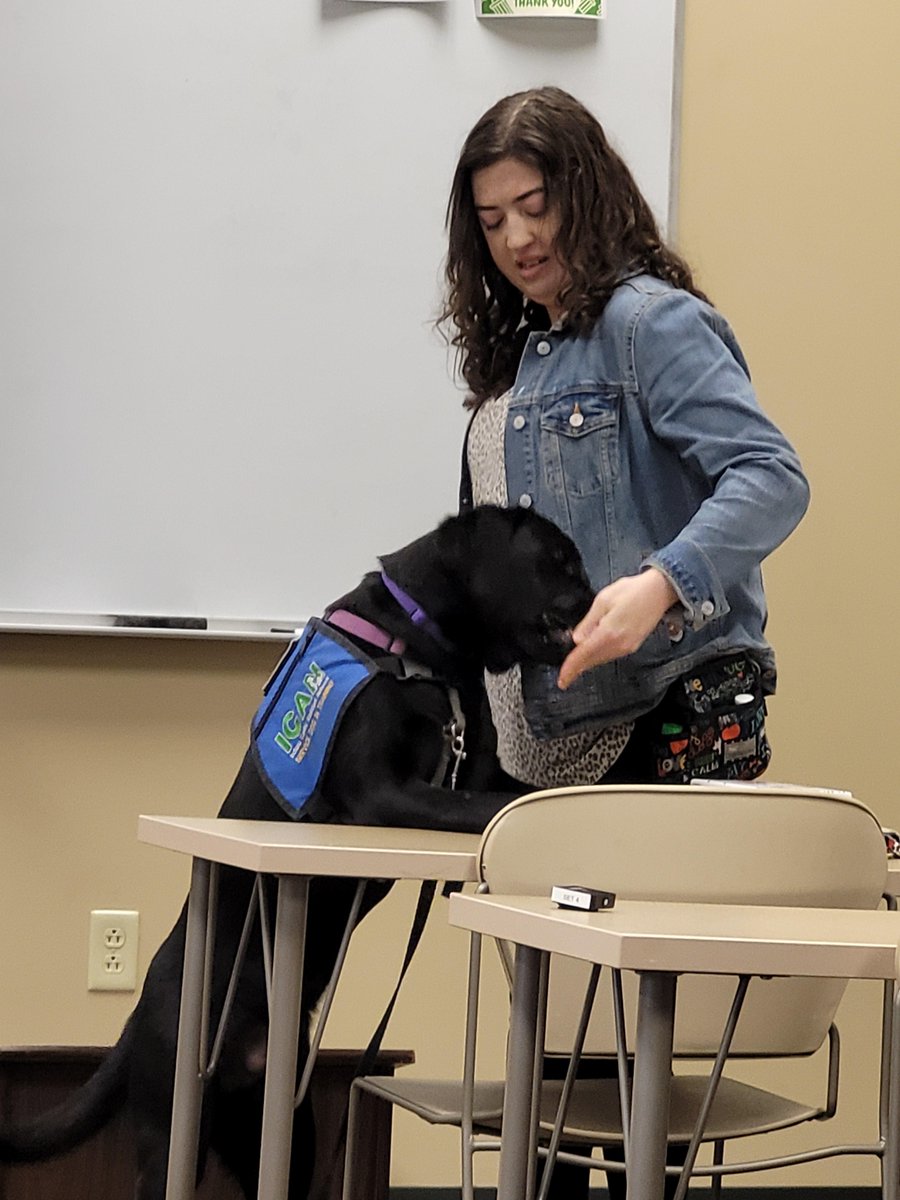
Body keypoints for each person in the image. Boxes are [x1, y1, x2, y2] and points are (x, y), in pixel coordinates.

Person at [442, 86, 810, 1198]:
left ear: (586, 191)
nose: (517, 239)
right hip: (551, 736)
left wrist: (661, 583)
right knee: (562, 1066)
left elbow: (772, 478)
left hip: (669, 711)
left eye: (535, 204)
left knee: (625, 1069)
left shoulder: (651, 324)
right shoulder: (524, 360)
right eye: (493, 219)